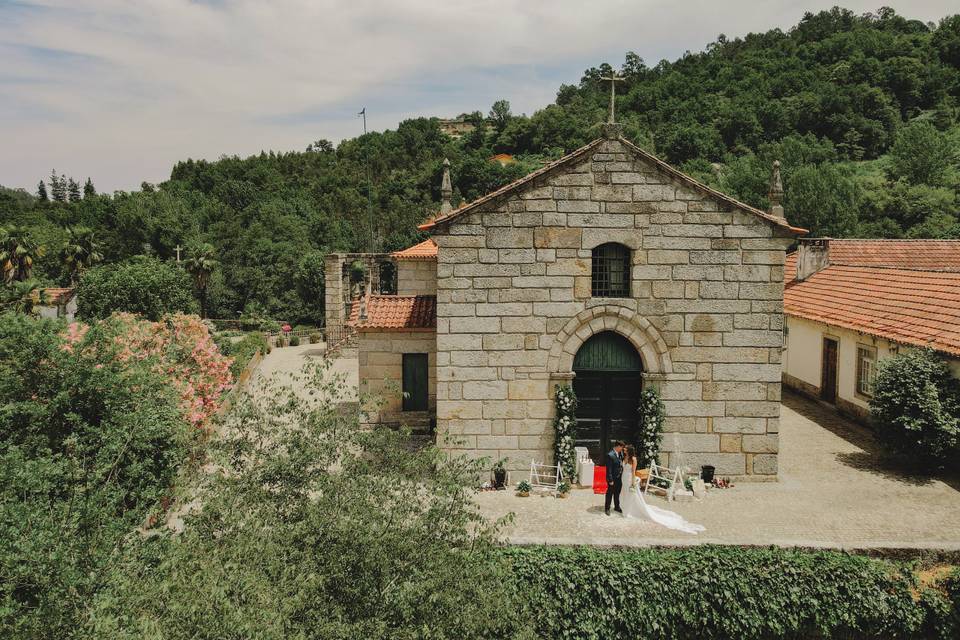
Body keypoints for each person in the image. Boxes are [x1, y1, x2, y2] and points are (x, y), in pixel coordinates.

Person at [618, 445, 705, 534]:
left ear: (629, 450)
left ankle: (629, 511)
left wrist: (633, 482)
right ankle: (626, 508)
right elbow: (623, 468)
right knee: (625, 493)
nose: (624, 449)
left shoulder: (633, 459)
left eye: (625, 448)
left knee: (631, 495)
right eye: (624, 448)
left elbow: (633, 472)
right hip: (624, 477)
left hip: (629, 478)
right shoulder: (625, 457)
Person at [604, 441, 625, 516]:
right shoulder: (610, 455)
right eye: (621, 448)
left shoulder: (620, 453)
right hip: (612, 478)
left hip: (619, 477)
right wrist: (610, 480)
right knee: (610, 493)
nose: (622, 449)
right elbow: (608, 469)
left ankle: (617, 506)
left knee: (617, 493)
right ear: (618, 446)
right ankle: (607, 508)